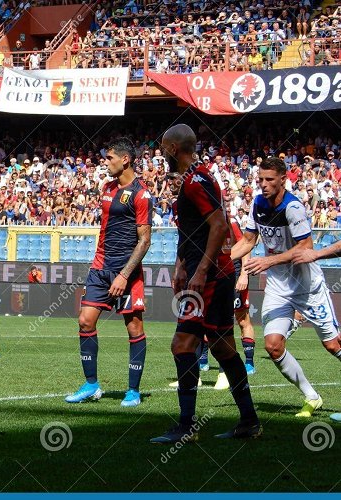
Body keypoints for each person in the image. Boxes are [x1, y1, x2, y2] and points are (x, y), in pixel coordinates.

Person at [152, 124, 259, 443]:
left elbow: (218, 226)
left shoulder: (196, 181)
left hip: (210, 277)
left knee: (182, 344)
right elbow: (194, 231)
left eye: (163, 148)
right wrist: (181, 265)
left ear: (174, 148)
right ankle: (249, 421)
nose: (161, 154)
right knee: (223, 347)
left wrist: (199, 272)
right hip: (212, 273)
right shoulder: (196, 178)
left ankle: (186, 427)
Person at [233, 157, 341, 417]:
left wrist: (269, 260)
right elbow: (248, 241)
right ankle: (311, 397)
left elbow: (306, 247)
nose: (264, 184)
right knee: (272, 345)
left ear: (283, 179)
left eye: (270, 180)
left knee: (333, 346)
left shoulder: (293, 207)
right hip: (278, 287)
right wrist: (220, 262)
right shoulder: (257, 204)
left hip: (307, 286)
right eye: (260, 179)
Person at [65, 138, 152, 407]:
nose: (105, 162)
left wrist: (124, 274)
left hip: (127, 272)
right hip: (101, 267)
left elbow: (145, 240)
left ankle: (133, 391)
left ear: (125, 159)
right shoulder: (107, 188)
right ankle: (91, 385)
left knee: (134, 327)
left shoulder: (141, 194)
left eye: (110, 157)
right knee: (85, 321)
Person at [198, 202, 257, 391]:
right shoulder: (203, 225)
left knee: (241, 319)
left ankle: (248, 362)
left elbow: (245, 246)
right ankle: (203, 362)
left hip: (234, 276)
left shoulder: (229, 224)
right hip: (216, 277)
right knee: (208, 319)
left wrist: (244, 275)